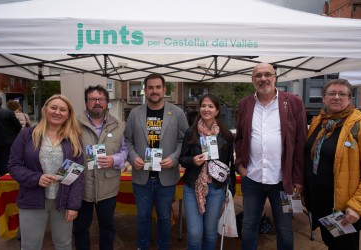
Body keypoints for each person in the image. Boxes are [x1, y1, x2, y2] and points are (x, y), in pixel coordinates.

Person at [304, 79, 361, 250]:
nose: (337, 97)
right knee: (330, 240)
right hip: (322, 201)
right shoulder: (319, 122)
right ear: (324, 98)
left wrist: (357, 206)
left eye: (342, 94)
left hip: (343, 207)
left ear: (350, 99)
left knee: (344, 246)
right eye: (332, 93)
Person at [235, 62, 307, 250]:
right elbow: (240, 138)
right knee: (249, 224)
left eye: (267, 74)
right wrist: (240, 166)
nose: (263, 78)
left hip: (284, 181)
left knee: (284, 227)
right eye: (258, 75)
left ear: (275, 77)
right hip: (252, 178)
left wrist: (298, 178)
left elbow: (300, 142)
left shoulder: (293, 102)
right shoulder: (245, 104)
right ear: (252, 80)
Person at [7, 94, 84, 249]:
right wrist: (36, 178)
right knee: (30, 245)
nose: (57, 112)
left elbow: (78, 174)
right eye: (53, 107)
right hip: (32, 199)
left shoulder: (73, 139)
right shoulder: (27, 135)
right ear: (45, 110)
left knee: (64, 244)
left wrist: (73, 205)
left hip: (62, 201)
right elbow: (14, 165)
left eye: (63, 109)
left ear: (68, 114)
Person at [124, 73, 189, 250]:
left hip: (166, 177)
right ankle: (142, 247)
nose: (154, 91)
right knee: (143, 217)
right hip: (141, 177)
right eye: (150, 87)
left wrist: (174, 158)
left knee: (165, 217)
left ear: (164, 89)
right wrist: (133, 157)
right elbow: (127, 141)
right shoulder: (135, 113)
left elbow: (185, 140)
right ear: (145, 90)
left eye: (158, 87)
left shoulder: (176, 113)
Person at [73, 85, 128, 250]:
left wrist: (114, 159)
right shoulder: (73, 124)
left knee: (107, 228)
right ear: (86, 103)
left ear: (107, 102)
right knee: (81, 229)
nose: (97, 102)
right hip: (82, 187)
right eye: (92, 99)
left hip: (108, 186)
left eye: (101, 99)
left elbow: (125, 151)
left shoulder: (119, 126)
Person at [179, 93, 235, 250]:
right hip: (192, 187)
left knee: (210, 232)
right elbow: (182, 158)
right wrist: (192, 161)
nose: (206, 109)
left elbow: (230, 164)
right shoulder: (191, 132)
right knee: (195, 233)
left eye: (210, 106)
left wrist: (230, 191)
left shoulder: (226, 136)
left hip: (216, 188)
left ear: (217, 111)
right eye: (203, 106)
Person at [0, 95, 21, 177]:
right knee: (7, 159)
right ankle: (6, 175)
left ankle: (0, 175)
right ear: (1, 103)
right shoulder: (8, 112)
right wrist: (13, 133)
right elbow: (18, 126)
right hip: (8, 140)